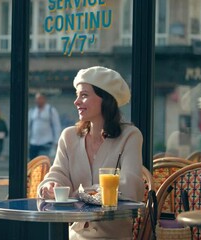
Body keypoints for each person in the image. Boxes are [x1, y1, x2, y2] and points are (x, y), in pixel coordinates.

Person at [38, 66, 144, 239]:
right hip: (74, 236)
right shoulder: (69, 136)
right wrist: (50, 186)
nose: (76, 102)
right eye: (77, 95)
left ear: (106, 99)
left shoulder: (130, 136)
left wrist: (79, 194)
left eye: (84, 95)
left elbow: (130, 188)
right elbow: (57, 174)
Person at [28, 92, 62, 160]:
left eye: (40, 98)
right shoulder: (32, 111)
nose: (38, 100)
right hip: (34, 142)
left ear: (44, 99)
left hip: (46, 142)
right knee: (33, 164)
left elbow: (56, 126)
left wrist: (56, 141)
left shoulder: (51, 110)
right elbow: (28, 126)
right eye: (37, 99)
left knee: (43, 163)